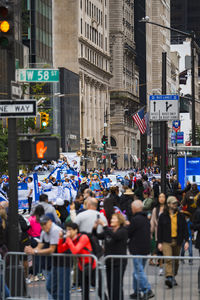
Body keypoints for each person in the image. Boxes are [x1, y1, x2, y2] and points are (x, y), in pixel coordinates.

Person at [25, 215, 70, 300]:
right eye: (41, 224)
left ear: (50, 222)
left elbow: (51, 249)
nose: (43, 226)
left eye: (45, 224)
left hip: (63, 261)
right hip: (55, 263)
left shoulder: (55, 230)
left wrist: (34, 251)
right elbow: (39, 246)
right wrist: (31, 250)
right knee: (51, 286)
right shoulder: (44, 232)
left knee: (61, 288)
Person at [57, 222, 105, 300]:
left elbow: (75, 251)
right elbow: (60, 250)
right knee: (84, 292)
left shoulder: (83, 237)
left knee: (99, 290)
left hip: (92, 266)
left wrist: (68, 239)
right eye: (67, 230)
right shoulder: (71, 240)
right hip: (82, 267)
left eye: (70, 230)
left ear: (76, 230)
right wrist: (61, 238)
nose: (68, 232)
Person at [93, 213, 128, 300]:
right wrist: (94, 228)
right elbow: (96, 236)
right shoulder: (108, 231)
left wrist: (104, 225)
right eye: (111, 219)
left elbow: (115, 237)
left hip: (119, 262)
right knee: (110, 285)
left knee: (117, 286)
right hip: (109, 262)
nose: (111, 220)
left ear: (119, 221)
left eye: (114, 219)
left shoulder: (123, 231)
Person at [157, 196, 189, 288]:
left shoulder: (180, 216)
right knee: (168, 259)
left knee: (176, 261)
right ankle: (169, 277)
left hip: (177, 241)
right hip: (166, 241)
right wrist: (159, 242)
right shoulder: (163, 216)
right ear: (168, 204)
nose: (175, 205)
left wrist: (186, 241)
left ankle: (173, 276)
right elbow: (160, 230)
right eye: (173, 203)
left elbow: (184, 229)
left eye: (176, 203)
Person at [128, 200, 154, 299]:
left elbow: (129, 233)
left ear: (135, 208)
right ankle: (136, 290)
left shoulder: (135, 219)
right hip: (145, 248)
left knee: (138, 271)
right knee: (137, 270)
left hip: (137, 249)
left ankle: (147, 290)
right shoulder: (145, 218)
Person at [150, 193, 166, 275]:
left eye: (163, 197)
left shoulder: (168, 209)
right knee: (160, 251)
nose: (161, 198)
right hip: (158, 234)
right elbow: (152, 222)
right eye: (160, 197)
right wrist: (150, 232)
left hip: (167, 234)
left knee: (166, 252)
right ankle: (161, 267)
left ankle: (169, 270)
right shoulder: (155, 210)